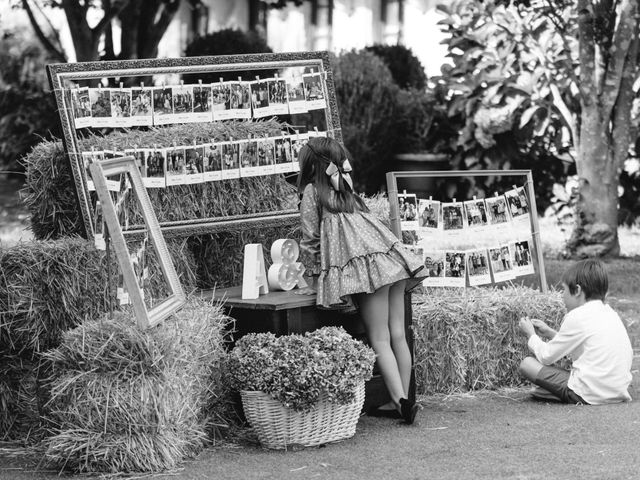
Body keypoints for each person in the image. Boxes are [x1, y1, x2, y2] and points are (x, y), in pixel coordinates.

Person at [296, 137, 425, 425]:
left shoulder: (312, 191)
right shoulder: (347, 191)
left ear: (311, 164)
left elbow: (309, 240)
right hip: (393, 262)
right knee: (398, 335)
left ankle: (401, 403)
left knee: (378, 337)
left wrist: (313, 277)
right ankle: (404, 398)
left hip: (373, 271)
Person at [517, 259, 633, 405]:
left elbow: (546, 356)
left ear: (577, 291)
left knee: (527, 364)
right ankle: (556, 392)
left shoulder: (576, 316)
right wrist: (550, 333)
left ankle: (567, 394)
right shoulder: (610, 313)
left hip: (589, 393)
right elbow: (585, 342)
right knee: (540, 388)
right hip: (618, 391)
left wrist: (531, 335)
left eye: (564, 290)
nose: (562, 295)